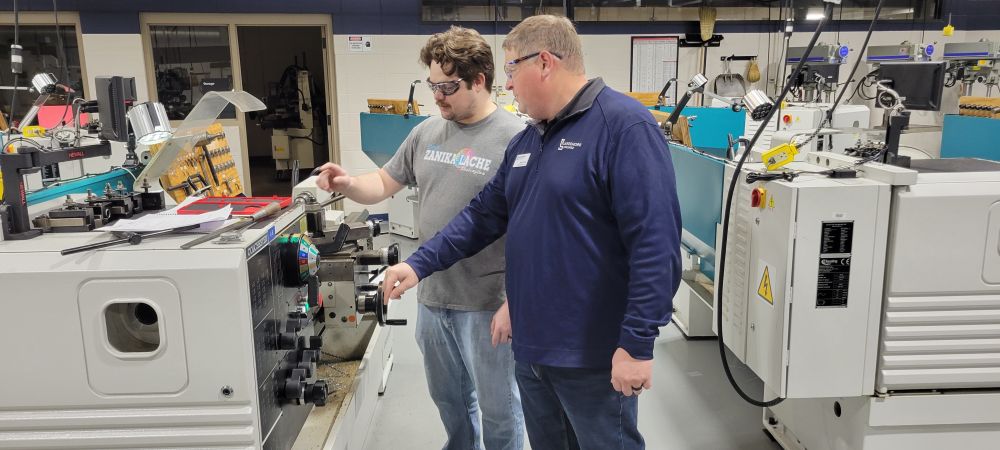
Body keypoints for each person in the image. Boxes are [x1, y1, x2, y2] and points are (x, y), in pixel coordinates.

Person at [380, 15, 682, 450]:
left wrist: (636, 345)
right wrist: (418, 263)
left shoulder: (623, 127)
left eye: (510, 71)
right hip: (532, 350)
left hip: (592, 355)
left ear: (544, 62)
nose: (507, 85)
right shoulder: (530, 140)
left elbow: (656, 247)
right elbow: (483, 216)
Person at [315, 26, 526, 450]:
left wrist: (517, 301)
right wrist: (347, 183)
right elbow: (382, 181)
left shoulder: (515, 137)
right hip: (432, 296)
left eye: (447, 86)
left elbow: (530, 228)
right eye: (433, 85)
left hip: (488, 300)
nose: (438, 96)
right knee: (450, 400)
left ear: (479, 80)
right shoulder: (427, 132)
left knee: (500, 407)